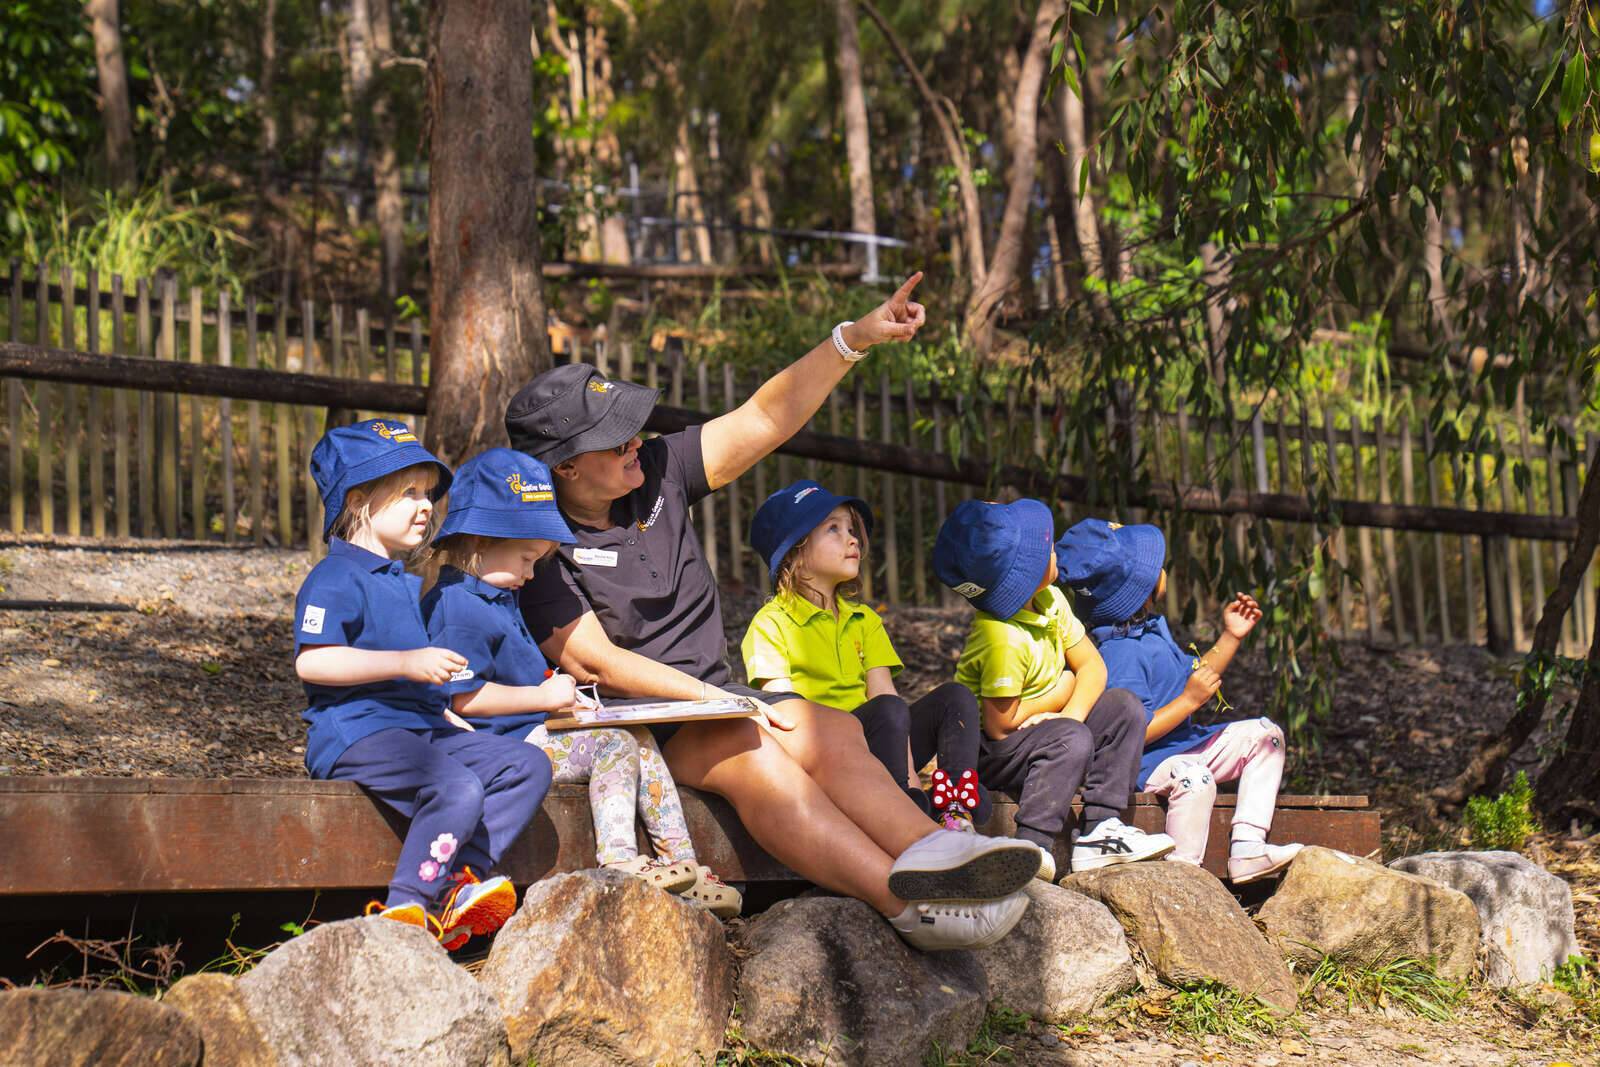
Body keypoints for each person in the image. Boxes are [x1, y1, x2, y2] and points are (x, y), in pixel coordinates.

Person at [510, 273, 1040, 952]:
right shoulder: (539, 541)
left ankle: (936, 852)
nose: (635, 442)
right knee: (764, 762)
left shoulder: (661, 469)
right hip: (647, 724)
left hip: (715, 699)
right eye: (614, 441)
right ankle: (905, 902)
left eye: (633, 428)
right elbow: (595, 659)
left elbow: (765, 417)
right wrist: (720, 702)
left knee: (833, 732)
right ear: (563, 468)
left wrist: (854, 339)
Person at [421, 448, 739, 917]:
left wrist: (561, 705)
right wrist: (543, 697)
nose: (531, 575)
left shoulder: (495, 597)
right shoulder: (459, 608)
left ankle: (683, 864)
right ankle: (620, 860)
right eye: (528, 559)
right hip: (502, 743)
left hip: (529, 730)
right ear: (483, 540)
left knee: (638, 736)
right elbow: (463, 698)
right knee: (613, 745)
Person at [293, 419, 551, 950]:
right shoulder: (333, 577)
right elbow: (313, 665)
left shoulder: (402, 583)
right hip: (357, 731)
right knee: (455, 785)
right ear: (359, 501)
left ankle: (462, 879)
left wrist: (443, 708)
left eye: (429, 494)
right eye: (408, 493)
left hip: (420, 728)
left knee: (525, 765)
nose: (426, 505)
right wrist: (408, 662)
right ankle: (407, 904)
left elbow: (419, 680)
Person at [933, 498, 1176, 882]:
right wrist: (1063, 694)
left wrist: (1070, 715)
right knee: (1070, 739)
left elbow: (1093, 667)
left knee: (1124, 707)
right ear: (1023, 573)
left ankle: (1101, 828)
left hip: (1051, 728)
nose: (1054, 551)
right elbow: (999, 725)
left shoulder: (1050, 600)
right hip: (995, 749)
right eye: (1044, 550)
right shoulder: (1001, 638)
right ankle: (1033, 842)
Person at [1055, 518, 1304, 883]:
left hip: (1188, 744)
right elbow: (1131, 732)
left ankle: (1249, 846)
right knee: (1196, 779)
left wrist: (1230, 637)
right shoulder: (1120, 653)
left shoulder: (1151, 631)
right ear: (1144, 587)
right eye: (1155, 565)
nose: (1163, 568)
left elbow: (1197, 679)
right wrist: (1188, 702)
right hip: (1147, 765)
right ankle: (1183, 878)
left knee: (1266, 735)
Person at [741, 480, 989, 828]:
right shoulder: (771, 625)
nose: (852, 538)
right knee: (887, 712)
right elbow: (786, 720)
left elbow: (887, 699)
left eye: (851, 528)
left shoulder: (864, 620)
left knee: (954, 698)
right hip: (824, 757)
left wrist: (913, 787)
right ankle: (902, 816)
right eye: (833, 529)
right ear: (795, 553)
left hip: (880, 750)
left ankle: (953, 812)